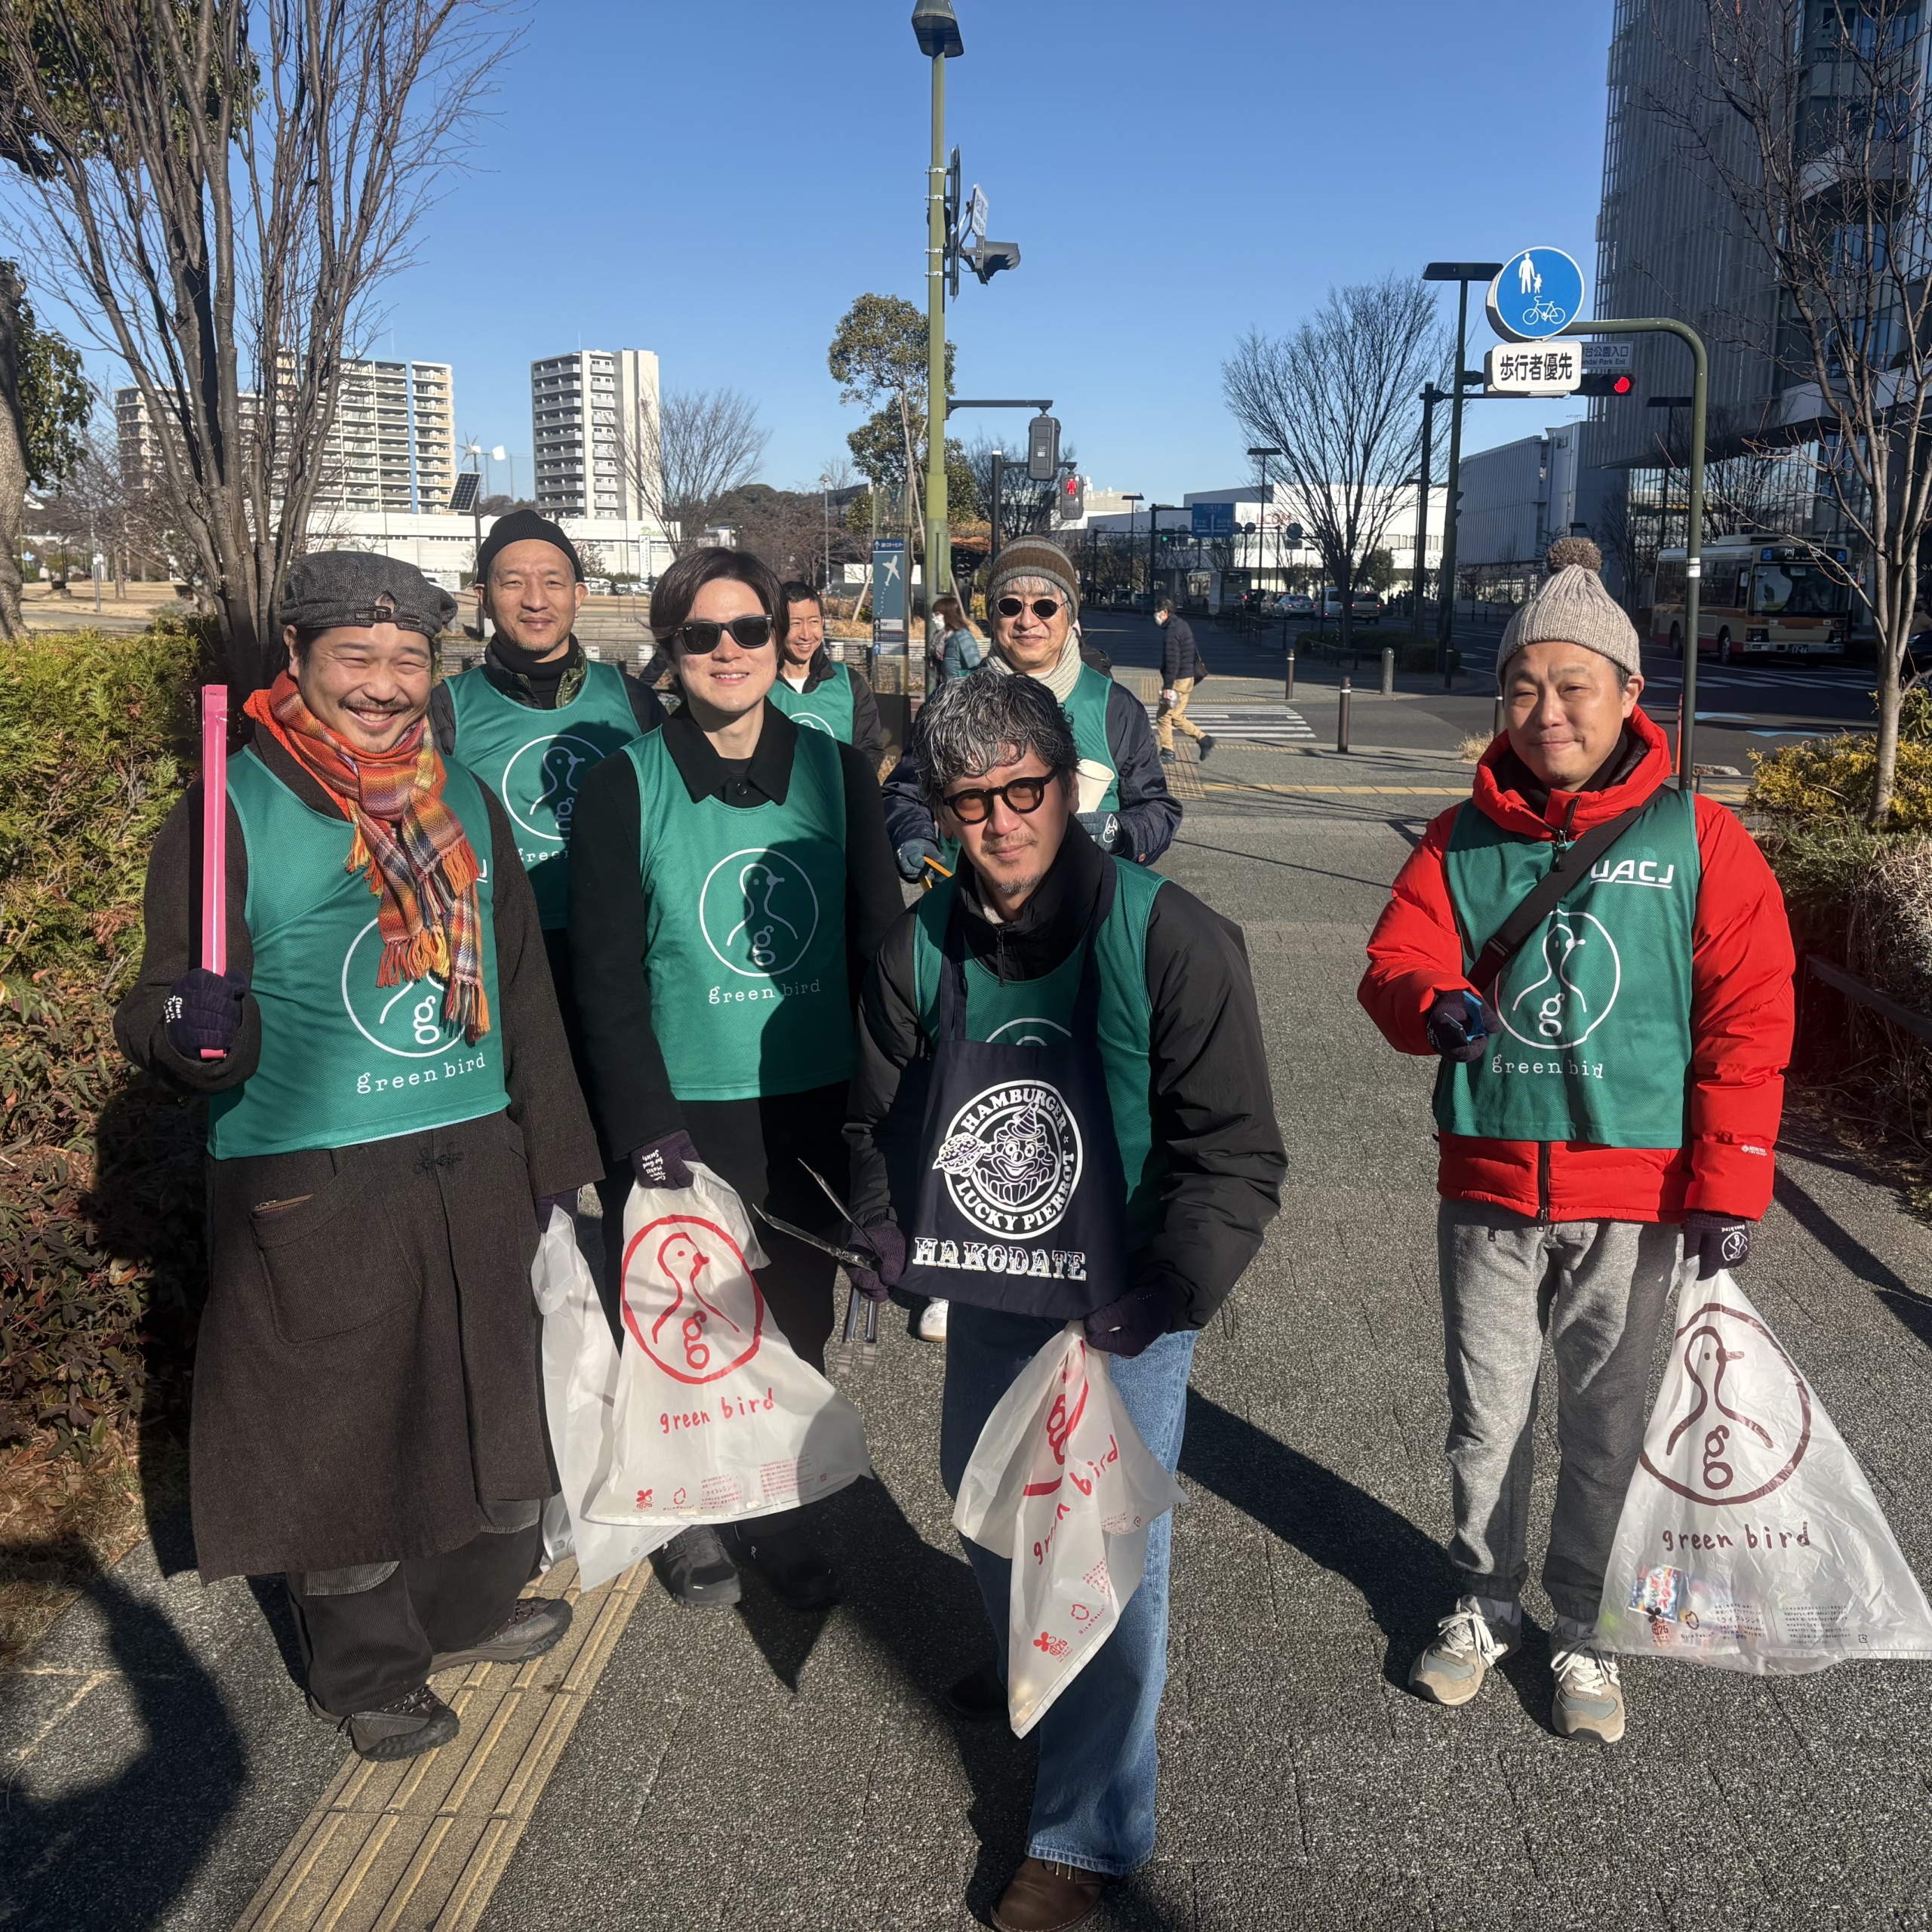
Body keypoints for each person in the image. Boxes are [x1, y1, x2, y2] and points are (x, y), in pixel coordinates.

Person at [115, 552, 602, 1762]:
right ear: (297, 660)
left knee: (494, 1416)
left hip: (471, 1163)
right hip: (314, 1181)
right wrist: (190, 1027)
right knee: (344, 1444)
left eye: (407, 661)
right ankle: (369, 1671)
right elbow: (164, 992)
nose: (386, 686)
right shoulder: (229, 806)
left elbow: (525, 991)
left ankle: (465, 1612)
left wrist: (558, 1151)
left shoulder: (462, 797)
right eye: (356, 659)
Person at [847, 671, 1284, 1931]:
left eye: (1024, 791)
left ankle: (1088, 1833)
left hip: (1126, 1300)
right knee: (986, 1514)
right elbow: (873, 1118)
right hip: (990, 1293)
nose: (1000, 823)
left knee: (1105, 1563)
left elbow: (1237, 1151)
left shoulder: (1170, 935)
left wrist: (1174, 1288)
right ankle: (1035, 1661)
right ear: (939, 808)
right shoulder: (919, 946)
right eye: (969, 801)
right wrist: (880, 1232)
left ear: (1068, 784)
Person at [1358, 536, 1795, 1746]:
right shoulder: (1458, 838)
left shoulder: (1702, 844)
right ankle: (1483, 1600)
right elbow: (1395, 962)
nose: (1545, 713)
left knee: (1609, 1426)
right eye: (1523, 688)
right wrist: (1424, 1002)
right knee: (1485, 1418)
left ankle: (1584, 1627)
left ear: (1625, 696)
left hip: (1637, 1194)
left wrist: (1731, 1184)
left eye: (1572, 688)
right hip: (1491, 1178)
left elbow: (1749, 1020)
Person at [568, 545, 903, 1613]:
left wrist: (883, 1115)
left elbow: (879, 953)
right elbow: (606, 973)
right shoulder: (629, 781)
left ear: (778, 635)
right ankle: (685, 1511)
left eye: (748, 629)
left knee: (794, 1325)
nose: (728, 651)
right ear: (670, 652)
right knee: (682, 1322)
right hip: (683, 1107)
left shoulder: (838, 771)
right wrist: (642, 1122)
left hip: (811, 1102)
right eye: (701, 634)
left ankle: (781, 1504)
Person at [433, 509, 666, 1291]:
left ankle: (657, 1375)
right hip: (509, 985)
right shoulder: (447, 709)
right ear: (482, 594)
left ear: (580, 592)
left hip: (620, 979)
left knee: (645, 1189)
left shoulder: (630, 703)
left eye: (553, 580)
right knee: (534, 1201)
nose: (535, 598)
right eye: (513, 580)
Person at [883, 537, 1178, 881]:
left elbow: (1157, 808)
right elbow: (905, 791)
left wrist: (1121, 831)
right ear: (992, 616)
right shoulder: (950, 699)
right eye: (1010, 606)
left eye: (1045, 607)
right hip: (967, 906)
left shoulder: (1115, 706)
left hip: (1085, 907)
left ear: (1071, 616)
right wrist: (913, 835)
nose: (1026, 621)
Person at [766, 578, 887, 770]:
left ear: (823, 622)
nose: (806, 634)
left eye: (813, 622)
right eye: (795, 623)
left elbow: (869, 749)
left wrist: (848, 787)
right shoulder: (759, 685)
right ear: (778, 626)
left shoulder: (849, 682)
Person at [1152, 592, 1212, 764]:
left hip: (1178, 680)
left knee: (1163, 716)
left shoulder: (1171, 631)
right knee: (1176, 716)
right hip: (1188, 678)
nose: (1156, 616)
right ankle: (1204, 739)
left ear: (1165, 612)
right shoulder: (1183, 625)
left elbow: (1172, 661)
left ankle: (1168, 751)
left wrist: (1168, 687)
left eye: (1157, 612)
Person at [932, 590, 984, 684]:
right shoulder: (943, 638)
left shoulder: (962, 637)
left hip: (960, 694)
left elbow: (976, 669)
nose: (934, 619)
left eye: (937, 615)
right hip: (946, 691)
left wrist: (958, 681)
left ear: (949, 614)